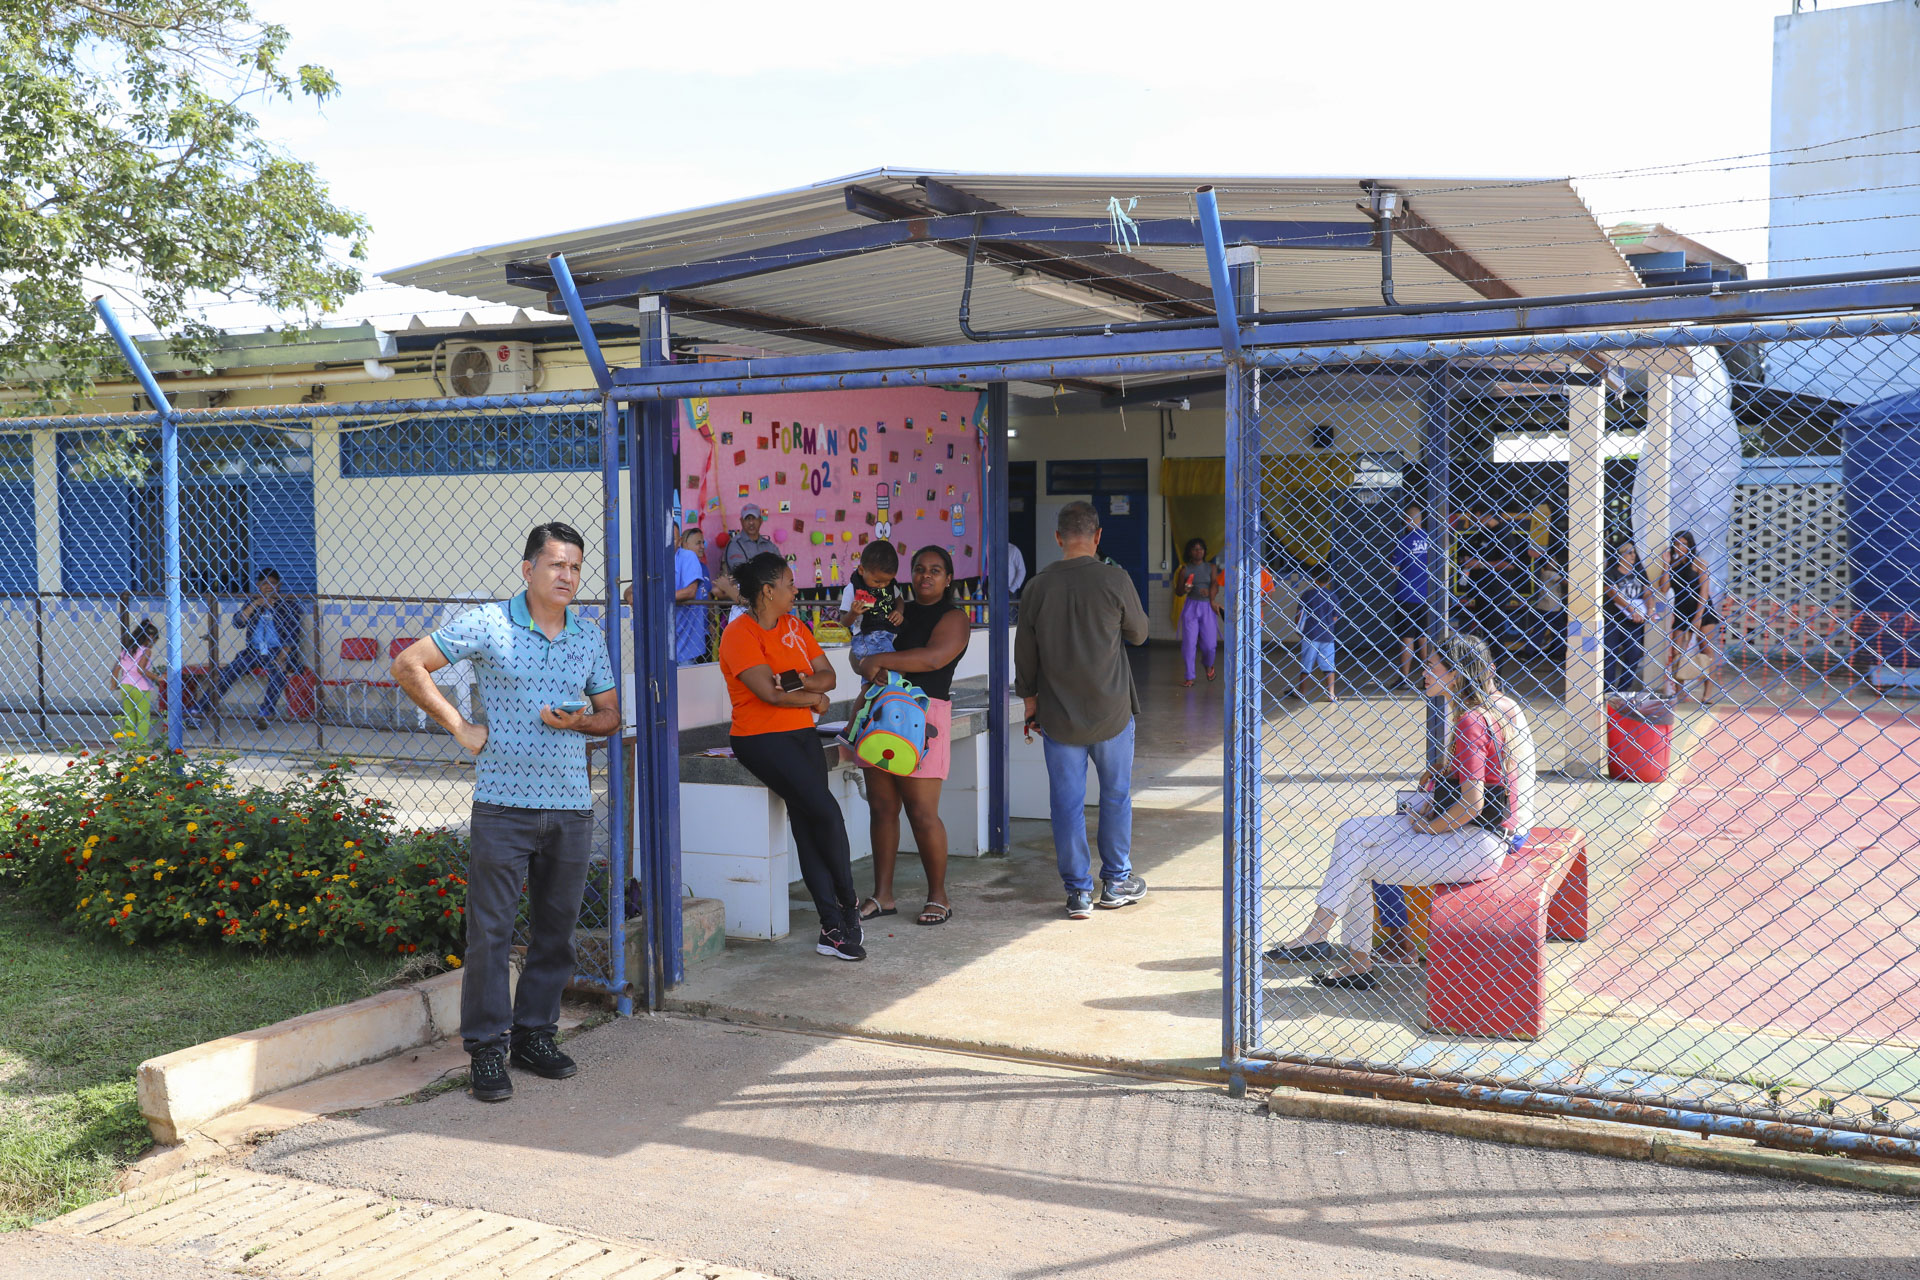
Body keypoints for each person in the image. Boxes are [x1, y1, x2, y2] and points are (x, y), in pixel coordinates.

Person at [392, 522, 619, 1104]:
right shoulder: (489, 623)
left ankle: (534, 1037)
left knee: (556, 934)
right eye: (556, 564)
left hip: (571, 807)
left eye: (575, 567)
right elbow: (408, 664)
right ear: (528, 569)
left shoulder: (588, 635)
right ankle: (486, 1050)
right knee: (490, 935)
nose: (567, 576)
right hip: (503, 806)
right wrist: (460, 727)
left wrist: (581, 722)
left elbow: (611, 714)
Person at [1265, 633, 1536, 988]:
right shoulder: (1478, 712)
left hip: (1475, 842)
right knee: (1351, 832)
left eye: (1432, 665)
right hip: (1468, 835)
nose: (1424, 670)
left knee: (1357, 863)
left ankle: (1335, 947)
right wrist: (1443, 772)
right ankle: (1334, 946)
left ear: (1455, 673)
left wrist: (1430, 827)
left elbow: (1474, 802)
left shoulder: (1472, 719)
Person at [719, 551, 864, 961]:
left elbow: (828, 675)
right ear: (768, 591)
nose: (795, 589)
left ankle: (831, 929)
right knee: (826, 811)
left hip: (801, 733)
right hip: (760, 739)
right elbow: (768, 693)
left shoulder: (795, 626)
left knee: (807, 821)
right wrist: (814, 697)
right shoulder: (739, 634)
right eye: (788, 583)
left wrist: (806, 688)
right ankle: (848, 904)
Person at [1014, 500, 1150, 920]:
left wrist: (1030, 703)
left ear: (1058, 537)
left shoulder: (1037, 587)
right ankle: (1116, 882)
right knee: (1115, 796)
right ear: (1098, 536)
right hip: (1112, 711)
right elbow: (1140, 634)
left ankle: (1078, 892)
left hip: (1058, 715)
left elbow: (1025, 652)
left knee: (1066, 804)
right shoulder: (1115, 579)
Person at [853, 546, 970, 927]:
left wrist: (880, 662)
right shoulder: (894, 611)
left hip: (923, 717)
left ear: (948, 579)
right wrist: (866, 662)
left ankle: (939, 896)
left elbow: (934, 658)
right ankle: (883, 896)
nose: (926, 575)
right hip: (881, 709)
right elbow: (862, 651)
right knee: (882, 807)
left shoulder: (954, 617)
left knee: (922, 812)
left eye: (935, 570)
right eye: (919, 568)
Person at [188, 567, 306, 730]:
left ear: (278, 585)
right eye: (264, 583)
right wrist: (256, 604)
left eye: (272, 583)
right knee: (228, 672)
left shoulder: (288, 605)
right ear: (258, 586)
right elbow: (238, 623)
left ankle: (265, 713)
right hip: (254, 652)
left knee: (278, 672)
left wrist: (282, 656)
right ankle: (198, 710)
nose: (268, 587)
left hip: (278, 651)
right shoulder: (252, 602)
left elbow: (293, 635)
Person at [1656, 530, 1723, 704]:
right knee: (1676, 652)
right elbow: (1664, 588)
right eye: (1677, 544)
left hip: (1701, 610)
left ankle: (1707, 693)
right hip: (1681, 610)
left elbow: (1704, 592)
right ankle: (1680, 692)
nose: (1680, 547)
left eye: (1684, 544)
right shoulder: (1673, 564)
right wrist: (1666, 564)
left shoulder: (1699, 563)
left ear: (1690, 545)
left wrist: (1698, 617)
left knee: (1706, 650)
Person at [838, 539, 907, 672]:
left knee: (877, 674)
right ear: (861, 570)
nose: (882, 585)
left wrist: (899, 611)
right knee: (891, 667)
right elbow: (844, 621)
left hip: (889, 634)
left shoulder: (889, 586)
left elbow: (899, 599)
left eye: (887, 581)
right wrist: (853, 613)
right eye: (877, 581)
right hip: (866, 636)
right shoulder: (852, 589)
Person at [1604, 540, 1654, 694]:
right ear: (1619, 556)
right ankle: (1608, 689)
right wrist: (1631, 609)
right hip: (1614, 620)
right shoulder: (1611, 572)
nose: (1633, 556)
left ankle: (1624, 689)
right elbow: (1613, 593)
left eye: (1634, 552)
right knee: (1609, 654)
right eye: (1629, 553)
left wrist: (1651, 609)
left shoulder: (1639, 571)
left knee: (1633, 654)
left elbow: (1647, 592)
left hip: (1633, 622)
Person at [1173, 537, 1221, 688]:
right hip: (1191, 607)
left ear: (1205, 551)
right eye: (1195, 549)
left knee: (1210, 645)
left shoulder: (1211, 567)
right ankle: (1189, 677)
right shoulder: (1185, 570)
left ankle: (1208, 664)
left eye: (1201, 549)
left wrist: (1210, 593)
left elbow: (1215, 585)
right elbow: (1178, 592)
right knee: (1189, 644)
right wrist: (1185, 589)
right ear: (1189, 552)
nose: (1198, 551)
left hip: (1207, 607)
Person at [1390, 504, 1431, 684]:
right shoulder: (1431, 539)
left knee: (1407, 637)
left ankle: (1404, 678)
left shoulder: (1404, 540)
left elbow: (1394, 568)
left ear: (1408, 520)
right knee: (1423, 636)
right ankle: (1428, 676)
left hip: (1405, 594)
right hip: (1426, 595)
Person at [720, 504, 779, 620]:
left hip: (768, 604)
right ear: (741, 521)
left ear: (760, 521)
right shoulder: (735, 545)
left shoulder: (769, 546)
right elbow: (742, 573)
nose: (751, 523)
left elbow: (781, 572)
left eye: (754, 518)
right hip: (743, 604)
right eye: (747, 519)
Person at [1291, 565, 1341, 703]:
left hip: (1310, 635)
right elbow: (1335, 617)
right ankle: (1331, 693)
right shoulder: (1333, 596)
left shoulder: (1307, 595)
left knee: (1306, 664)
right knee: (1329, 665)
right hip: (1327, 636)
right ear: (1329, 579)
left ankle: (1302, 692)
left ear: (1313, 579)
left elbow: (1299, 614)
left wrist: (1300, 629)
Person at [112, 619, 159, 743]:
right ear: (150, 638)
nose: (153, 644)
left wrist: (114, 684)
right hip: (140, 687)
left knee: (129, 717)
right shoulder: (146, 651)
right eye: (154, 641)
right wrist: (157, 677)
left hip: (125, 686)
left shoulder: (126, 651)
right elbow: (140, 669)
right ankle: (142, 744)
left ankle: (129, 744)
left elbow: (116, 669)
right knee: (143, 717)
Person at [673, 528, 713, 665]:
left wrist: (712, 623)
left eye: (703, 542)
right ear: (685, 543)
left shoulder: (699, 565)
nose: (702, 546)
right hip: (675, 635)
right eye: (698, 543)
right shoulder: (658, 560)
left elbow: (702, 593)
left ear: (679, 542)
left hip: (694, 636)